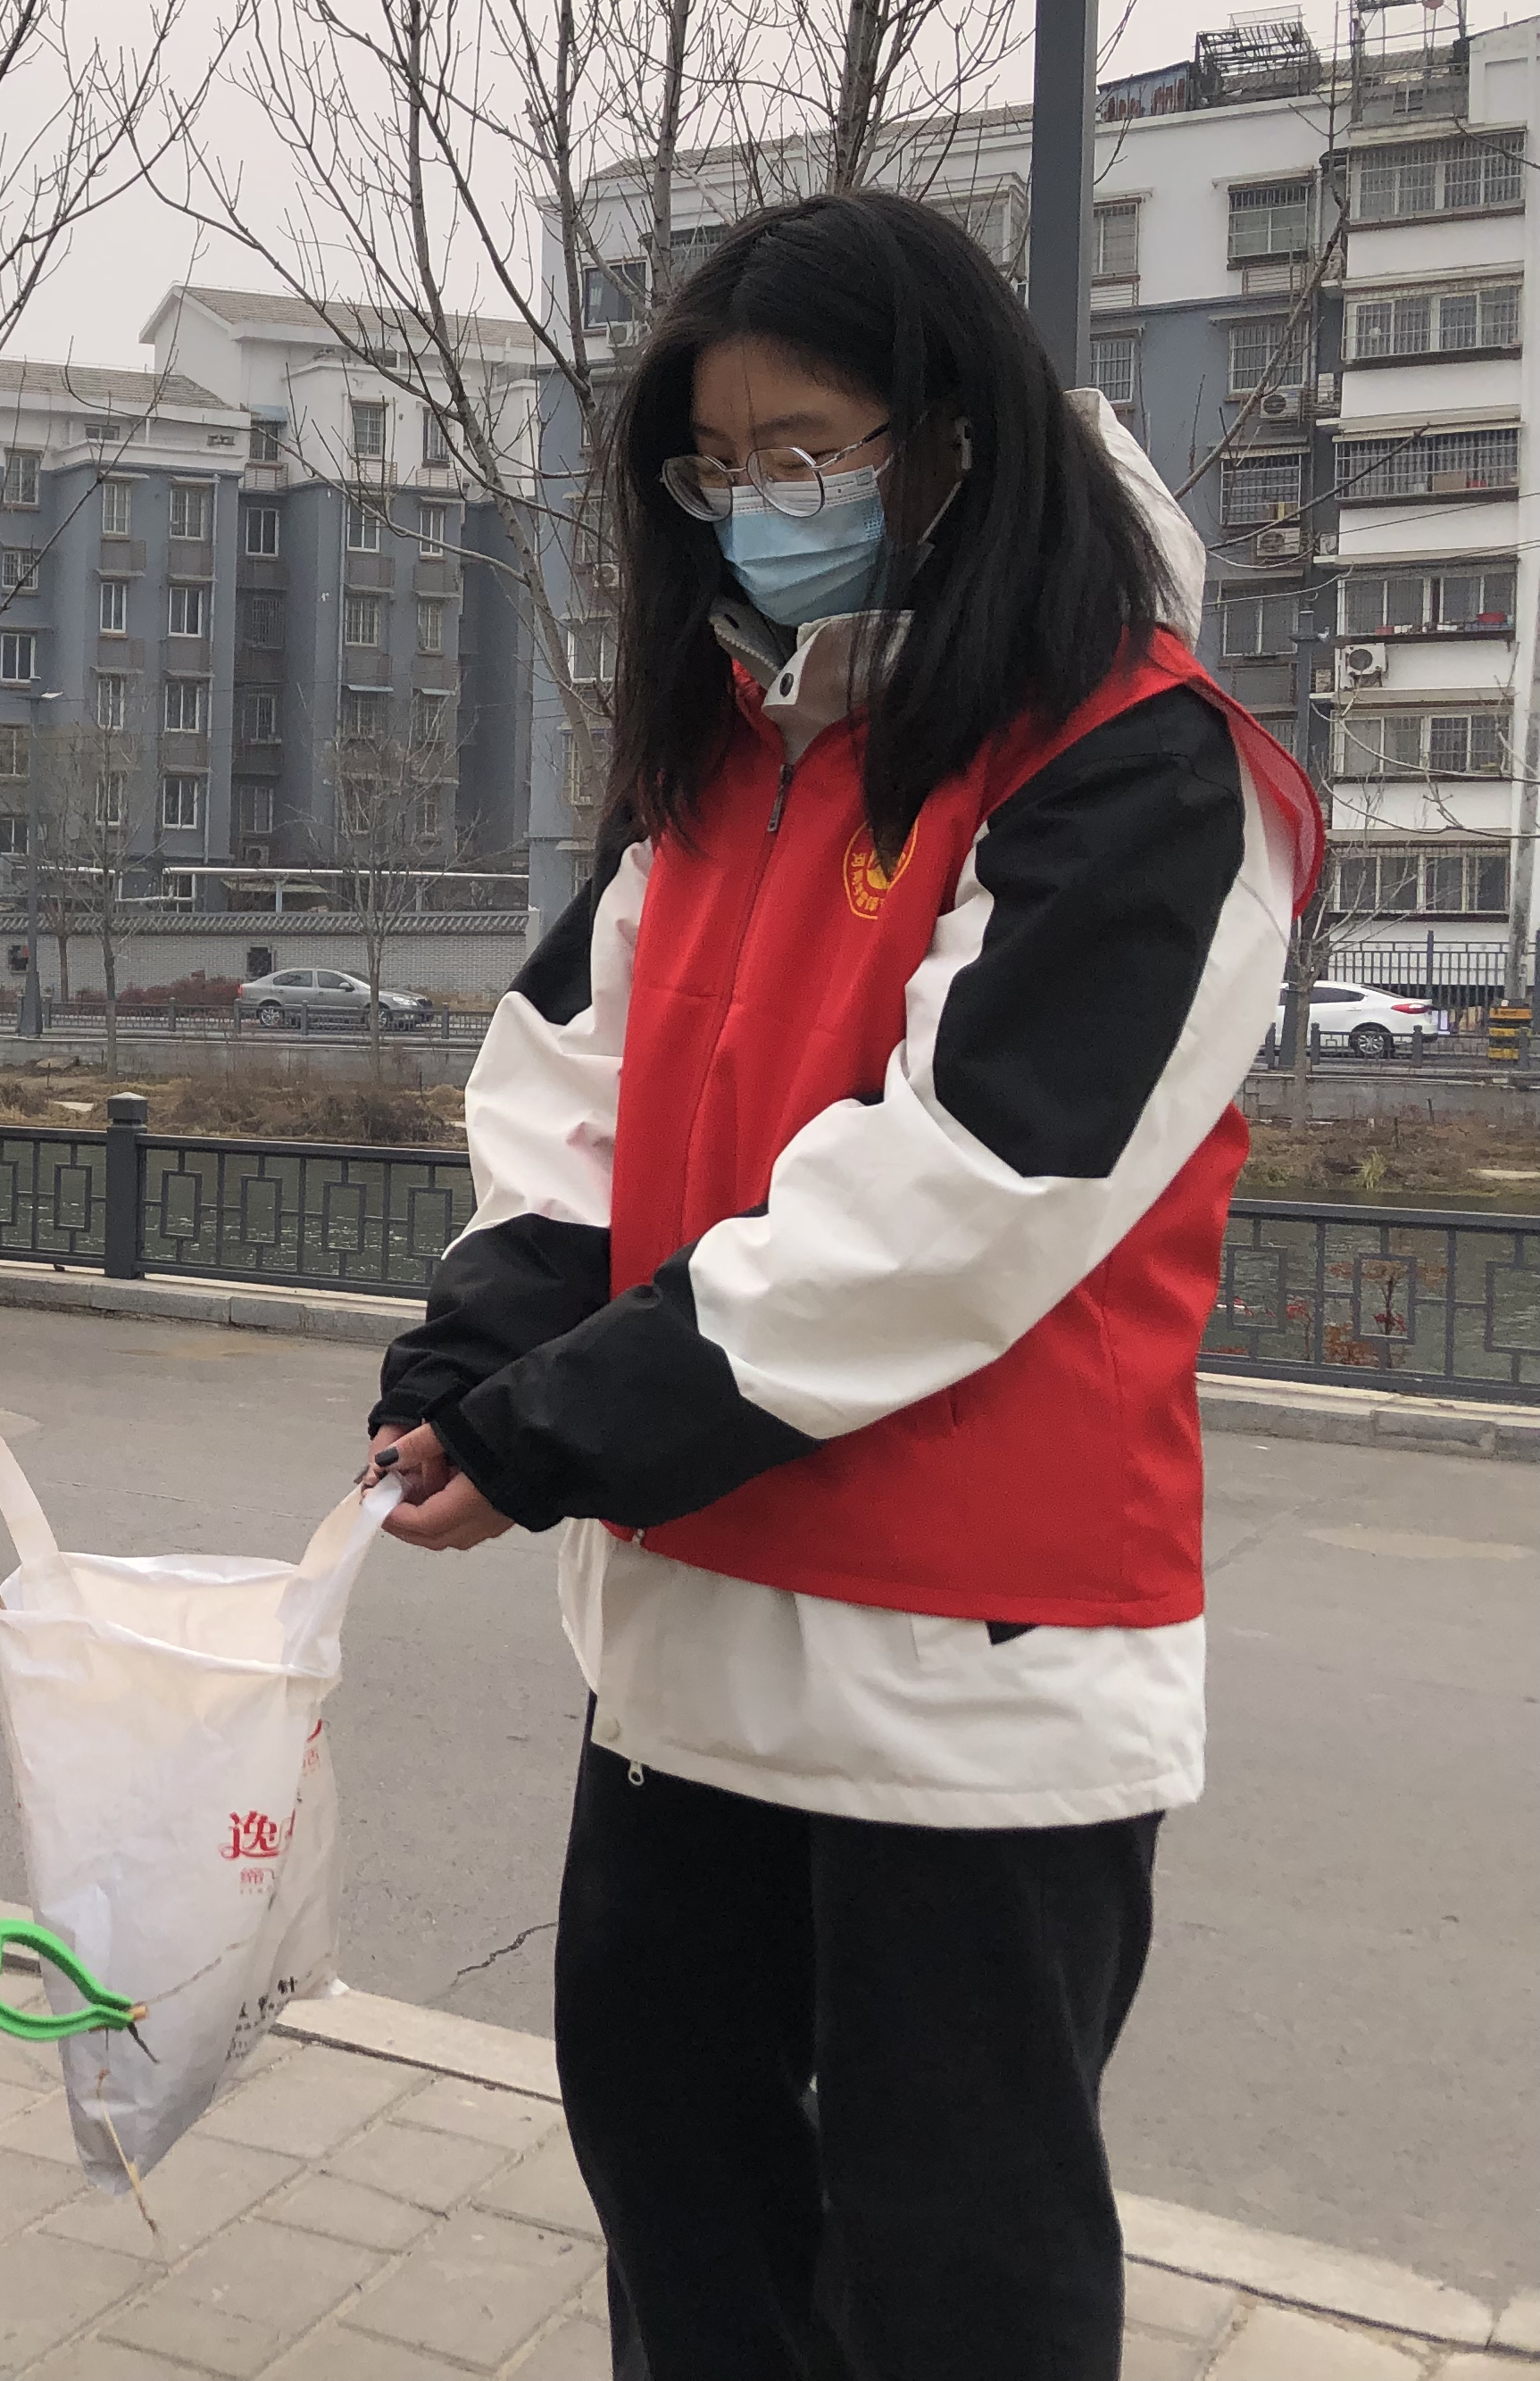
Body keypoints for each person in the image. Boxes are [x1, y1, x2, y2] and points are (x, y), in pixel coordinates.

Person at [365, 192, 1322, 2381]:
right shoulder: (730, 749)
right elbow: (571, 1086)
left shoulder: (1137, 764)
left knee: (949, 2284)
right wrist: (483, 1348)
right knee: (685, 2230)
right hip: (687, 1660)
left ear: (957, 439)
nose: (763, 509)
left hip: (963, 1701)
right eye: (724, 470)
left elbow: (970, 1190)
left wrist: (565, 1429)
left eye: (813, 453)